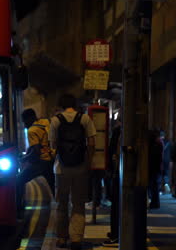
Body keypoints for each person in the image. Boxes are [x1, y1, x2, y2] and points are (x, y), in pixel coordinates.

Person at [49, 94, 96, 250]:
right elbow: (91, 143)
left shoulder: (55, 120)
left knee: (61, 203)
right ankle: (76, 239)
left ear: (61, 104)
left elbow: (53, 144)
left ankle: (62, 238)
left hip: (61, 168)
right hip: (80, 167)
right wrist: (88, 162)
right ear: (75, 104)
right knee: (78, 204)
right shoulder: (85, 119)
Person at [16, 109, 55, 216]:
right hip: (51, 161)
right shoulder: (46, 122)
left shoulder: (32, 130)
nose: (24, 125)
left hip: (40, 163)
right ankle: (62, 210)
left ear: (30, 119)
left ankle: (19, 210)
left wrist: (23, 159)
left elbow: (36, 151)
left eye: (25, 121)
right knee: (54, 187)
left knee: (18, 181)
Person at [102, 117, 121, 247]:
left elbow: (111, 151)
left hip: (118, 173)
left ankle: (116, 234)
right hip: (129, 175)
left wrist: (108, 168)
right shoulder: (142, 132)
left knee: (116, 206)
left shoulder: (118, 132)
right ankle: (117, 232)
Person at [148, 128, 164, 209]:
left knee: (152, 185)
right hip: (156, 167)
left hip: (151, 166)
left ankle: (153, 202)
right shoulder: (159, 143)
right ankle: (155, 203)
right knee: (154, 185)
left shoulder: (153, 143)